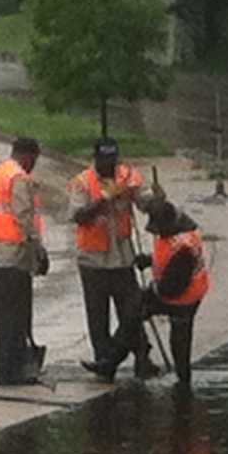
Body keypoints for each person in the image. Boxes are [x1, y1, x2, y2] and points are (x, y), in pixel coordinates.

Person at [69, 137, 163, 382]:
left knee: (131, 311)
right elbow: (78, 216)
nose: (110, 166)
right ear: (96, 159)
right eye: (105, 161)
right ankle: (104, 361)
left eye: (114, 160)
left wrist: (154, 199)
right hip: (93, 260)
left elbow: (145, 204)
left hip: (122, 258)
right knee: (97, 315)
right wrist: (104, 200)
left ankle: (143, 357)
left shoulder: (127, 177)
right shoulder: (83, 182)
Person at [0, 137, 49, 386]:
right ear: (28, 156)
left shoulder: (1, 172)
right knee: (16, 316)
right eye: (35, 160)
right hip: (14, 255)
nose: (34, 165)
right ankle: (14, 369)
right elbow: (24, 217)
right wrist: (38, 251)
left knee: (3, 314)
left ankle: (5, 367)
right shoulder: (18, 178)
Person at [135, 196, 210, 390]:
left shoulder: (183, 249)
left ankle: (182, 381)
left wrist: (150, 291)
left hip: (183, 298)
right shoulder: (180, 233)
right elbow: (167, 260)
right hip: (187, 291)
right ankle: (179, 376)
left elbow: (169, 288)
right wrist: (150, 260)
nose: (152, 230)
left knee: (178, 340)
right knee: (180, 341)